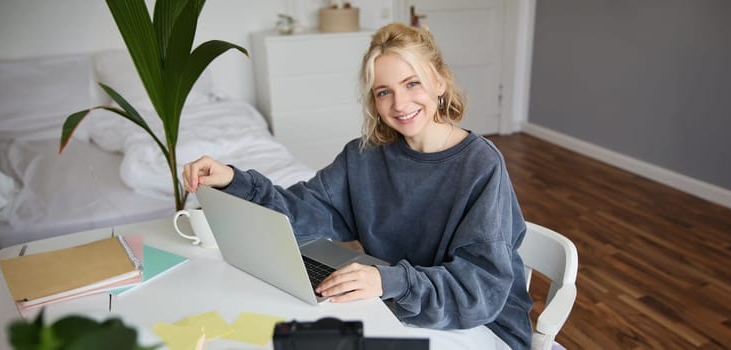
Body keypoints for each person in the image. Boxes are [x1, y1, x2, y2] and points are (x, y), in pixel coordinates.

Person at [182, 23, 533, 350]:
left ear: (440, 82)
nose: (399, 104)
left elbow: (480, 292)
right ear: (374, 102)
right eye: (384, 92)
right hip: (396, 306)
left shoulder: (481, 165)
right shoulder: (363, 157)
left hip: (480, 324)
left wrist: (389, 282)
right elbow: (299, 214)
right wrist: (233, 179)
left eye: (412, 83)